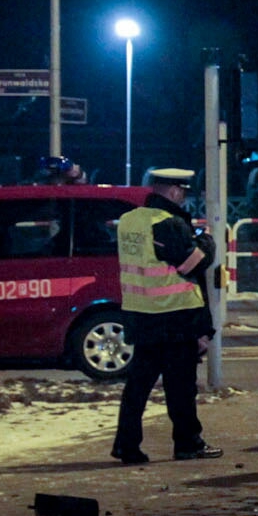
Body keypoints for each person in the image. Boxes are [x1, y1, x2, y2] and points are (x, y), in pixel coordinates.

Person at [110, 167, 221, 464]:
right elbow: (192, 263)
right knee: (181, 387)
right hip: (174, 315)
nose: (183, 197)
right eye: (182, 191)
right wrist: (207, 243)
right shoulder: (167, 223)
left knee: (138, 385)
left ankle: (126, 445)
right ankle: (188, 443)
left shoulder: (129, 220)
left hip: (141, 313)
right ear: (173, 191)